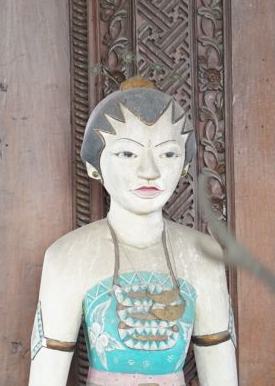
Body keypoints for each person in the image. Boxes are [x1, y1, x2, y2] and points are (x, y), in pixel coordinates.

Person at [28, 78, 237, 386]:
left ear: (184, 165)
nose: (149, 171)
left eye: (168, 154)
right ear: (94, 166)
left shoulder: (203, 255)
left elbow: (220, 369)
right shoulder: (68, 257)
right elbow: (47, 374)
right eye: (127, 154)